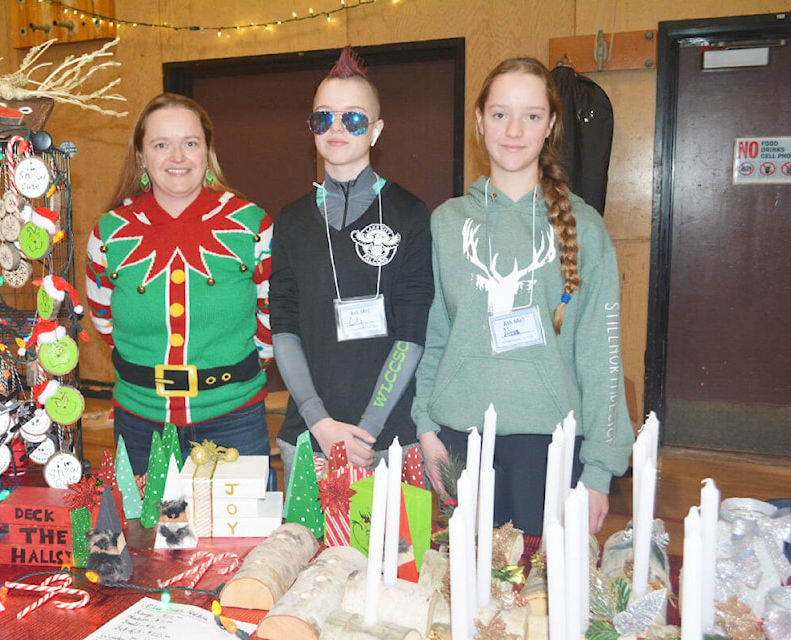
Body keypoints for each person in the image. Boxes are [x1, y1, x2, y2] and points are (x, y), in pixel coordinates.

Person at [411, 57, 632, 536]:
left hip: (548, 445)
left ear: (551, 124)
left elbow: (601, 355)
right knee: (461, 593)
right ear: (479, 121)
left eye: (532, 115)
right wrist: (425, 424)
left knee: (537, 598)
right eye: (499, 114)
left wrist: (598, 470)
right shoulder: (447, 223)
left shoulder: (585, 227)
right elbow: (435, 333)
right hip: (460, 439)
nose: (514, 130)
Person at [86, 93, 275, 486]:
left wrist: (227, 379)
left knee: (240, 543)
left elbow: (271, 319)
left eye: (190, 143)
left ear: (207, 152)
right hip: (140, 424)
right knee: (145, 543)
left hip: (233, 419)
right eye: (161, 144)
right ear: (141, 156)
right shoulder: (109, 234)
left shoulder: (253, 226)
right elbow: (104, 322)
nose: (177, 157)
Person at [270, 47, 433, 484]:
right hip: (310, 436)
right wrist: (320, 423)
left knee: (392, 554)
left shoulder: (410, 214)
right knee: (304, 553)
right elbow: (283, 327)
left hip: (389, 438)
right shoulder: (289, 221)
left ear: (376, 131)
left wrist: (367, 430)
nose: (337, 128)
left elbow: (413, 332)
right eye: (323, 118)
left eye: (354, 118)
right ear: (312, 129)